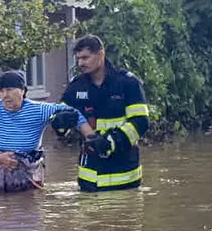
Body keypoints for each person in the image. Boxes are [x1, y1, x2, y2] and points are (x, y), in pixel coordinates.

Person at [0, 71, 94, 193]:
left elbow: (75, 113)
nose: (5, 95)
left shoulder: (39, 110)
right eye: (1, 91)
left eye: (9, 90)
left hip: (28, 170)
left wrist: (91, 138)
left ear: (23, 91)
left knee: (30, 202)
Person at [59, 35, 151, 192]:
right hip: (89, 181)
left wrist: (111, 141)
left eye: (86, 58)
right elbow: (61, 126)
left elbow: (140, 122)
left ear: (101, 54)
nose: (81, 63)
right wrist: (60, 122)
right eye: (79, 59)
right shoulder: (76, 86)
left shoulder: (127, 83)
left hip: (124, 178)